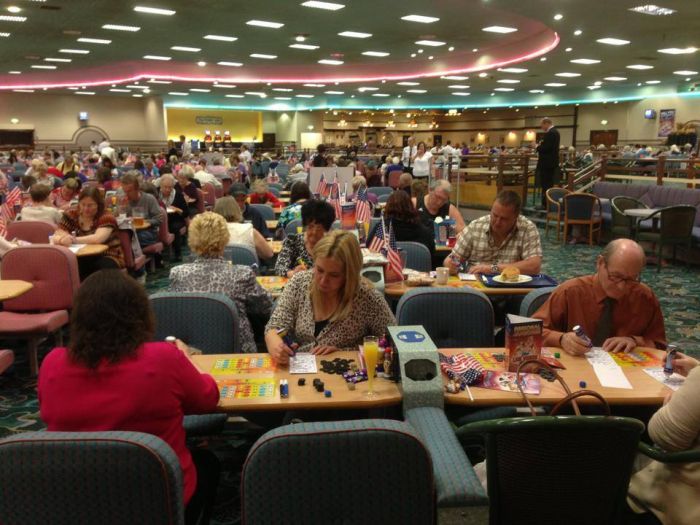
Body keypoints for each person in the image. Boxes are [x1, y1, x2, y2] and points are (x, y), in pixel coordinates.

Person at [38, 270, 220, 525]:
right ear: (140, 314)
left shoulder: (51, 363)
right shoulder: (164, 358)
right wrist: (191, 362)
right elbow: (208, 398)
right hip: (159, 500)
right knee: (208, 463)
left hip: (75, 500)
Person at [265, 230, 396, 364]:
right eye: (319, 270)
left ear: (349, 274)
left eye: (334, 275)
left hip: (345, 375)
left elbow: (393, 343)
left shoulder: (368, 297)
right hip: (299, 369)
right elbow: (275, 326)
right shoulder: (299, 282)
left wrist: (345, 352)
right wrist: (276, 345)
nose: (323, 281)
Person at [534, 239, 666, 356]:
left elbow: (660, 346)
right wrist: (561, 339)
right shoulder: (570, 292)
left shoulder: (644, 297)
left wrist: (634, 341)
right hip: (576, 370)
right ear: (600, 263)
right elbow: (530, 332)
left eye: (631, 280)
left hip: (627, 374)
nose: (621, 286)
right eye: (615, 276)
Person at [169, 213, 273, 354]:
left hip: (193, 354)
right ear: (225, 239)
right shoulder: (242, 274)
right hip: (237, 353)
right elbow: (266, 307)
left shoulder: (177, 274)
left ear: (192, 239)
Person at [627, 351, 700, 525]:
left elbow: (663, 437)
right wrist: (696, 369)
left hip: (679, 506)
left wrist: (669, 405)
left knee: (612, 445)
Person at [444, 190, 542, 276]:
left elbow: (534, 266)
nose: (497, 222)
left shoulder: (527, 228)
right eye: (495, 215)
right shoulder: (476, 226)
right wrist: (453, 263)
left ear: (516, 217)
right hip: (477, 288)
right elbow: (452, 258)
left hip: (513, 289)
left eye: (504, 219)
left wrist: (493, 268)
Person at [53, 187, 125, 279]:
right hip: (81, 255)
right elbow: (58, 233)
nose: (86, 208)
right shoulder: (71, 215)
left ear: (98, 205)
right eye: (83, 204)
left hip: (107, 255)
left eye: (90, 205)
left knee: (101, 267)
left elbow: (98, 238)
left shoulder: (106, 216)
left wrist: (72, 239)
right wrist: (61, 239)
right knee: (68, 266)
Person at [275, 199, 335, 278]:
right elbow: (279, 267)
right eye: (310, 227)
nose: (314, 232)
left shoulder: (333, 246)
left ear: (326, 229)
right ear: (305, 225)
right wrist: (292, 273)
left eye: (319, 228)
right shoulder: (293, 241)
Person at [368, 190, 435, 256]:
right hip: (420, 266)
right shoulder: (425, 232)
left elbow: (368, 247)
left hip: (388, 266)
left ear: (388, 206)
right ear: (411, 206)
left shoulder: (381, 229)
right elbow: (432, 256)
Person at [121, 171, 162, 248]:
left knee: (131, 239)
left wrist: (144, 221)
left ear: (137, 189)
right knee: (122, 238)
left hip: (148, 232)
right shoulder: (124, 202)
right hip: (131, 231)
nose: (126, 194)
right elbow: (120, 220)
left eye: (129, 191)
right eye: (124, 191)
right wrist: (122, 209)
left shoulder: (149, 199)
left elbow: (159, 219)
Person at [159, 173, 189, 261]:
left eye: (170, 187)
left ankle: (178, 253)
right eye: (165, 187)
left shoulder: (178, 195)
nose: (168, 189)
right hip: (161, 219)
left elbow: (186, 213)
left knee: (174, 227)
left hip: (176, 219)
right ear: (161, 185)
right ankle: (158, 257)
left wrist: (177, 209)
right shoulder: (157, 194)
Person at [535, 117, 560, 208]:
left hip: (547, 163)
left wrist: (537, 147)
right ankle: (546, 204)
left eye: (541, 125)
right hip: (550, 163)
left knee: (546, 184)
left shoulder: (551, 133)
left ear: (546, 123)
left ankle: (545, 204)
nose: (541, 127)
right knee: (548, 184)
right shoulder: (555, 132)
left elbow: (546, 148)